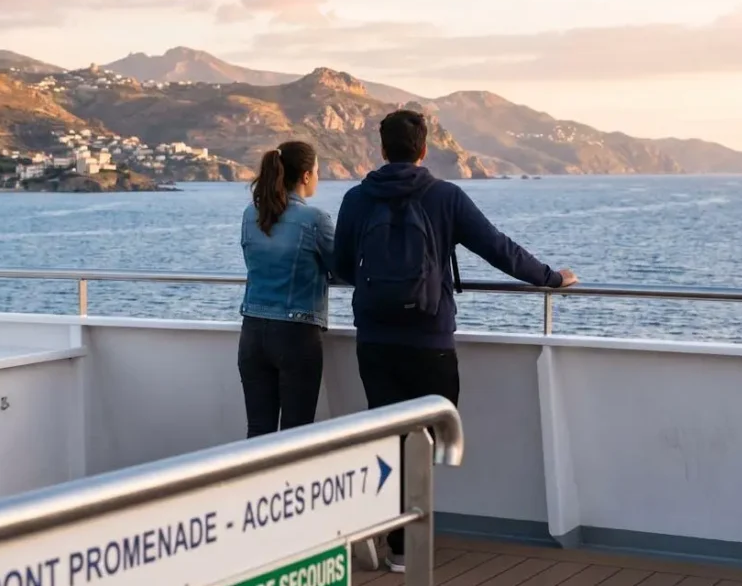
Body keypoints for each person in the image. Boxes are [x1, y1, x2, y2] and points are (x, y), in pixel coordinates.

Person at [333, 109, 578, 572]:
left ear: (381, 150)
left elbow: (341, 265)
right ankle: (407, 545)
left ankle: (386, 532)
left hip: (376, 339)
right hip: (430, 339)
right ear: (424, 149)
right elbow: (497, 248)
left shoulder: (356, 199)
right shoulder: (445, 197)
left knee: (388, 434)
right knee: (426, 439)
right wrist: (550, 277)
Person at [238, 140, 334, 438]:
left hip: (253, 332)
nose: (317, 177)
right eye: (317, 171)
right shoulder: (314, 219)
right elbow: (342, 267)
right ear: (306, 176)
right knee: (296, 434)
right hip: (296, 334)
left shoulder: (250, 215)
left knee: (258, 430)